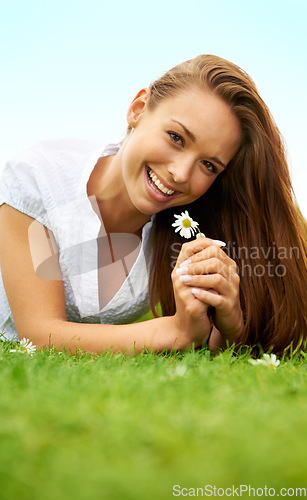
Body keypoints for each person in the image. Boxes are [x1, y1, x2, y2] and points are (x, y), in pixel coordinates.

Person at [0, 54, 306, 356]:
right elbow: (39, 335)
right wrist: (175, 332)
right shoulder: (38, 179)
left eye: (209, 165)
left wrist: (229, 325)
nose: (181, 173)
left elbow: (207, 350)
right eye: (176, 137)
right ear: (138, 109)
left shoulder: (191, 227)